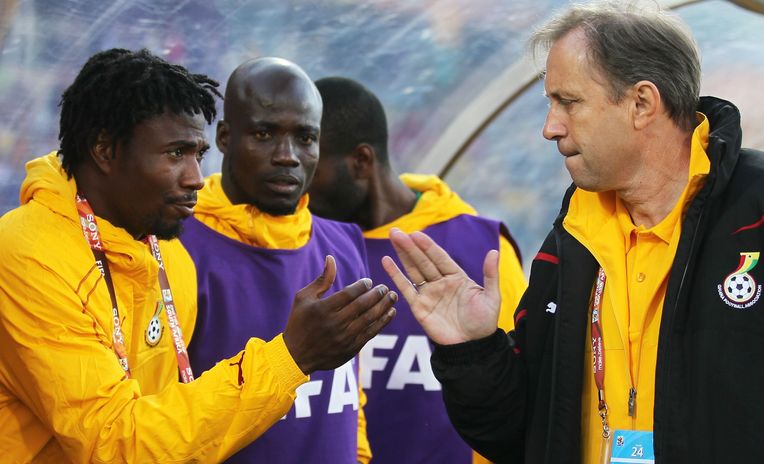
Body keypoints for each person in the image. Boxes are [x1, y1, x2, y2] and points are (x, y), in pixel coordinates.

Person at [382, 2, 764, 463]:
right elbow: (525, 436)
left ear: (641, 104)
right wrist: (473, 350)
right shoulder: (572, 239)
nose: (550, 128)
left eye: (568, 102)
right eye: (550, 103)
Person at [0, 48, 396, 463]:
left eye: (198, 155)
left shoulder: (168, 253)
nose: (196, 179)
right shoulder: (29, 256)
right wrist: (291, 357)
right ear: (104, 149)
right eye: (176, 154)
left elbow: (171, 425)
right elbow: (114, 443)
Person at [308, 76, 528, 464]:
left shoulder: (480, 246)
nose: (297, 182)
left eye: (311, 165)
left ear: (361, 161)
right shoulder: (304, 247)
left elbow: (516, 390)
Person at [178, 58, 385, 463]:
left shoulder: (344, 243)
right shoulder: (178, 246)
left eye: (305, 137)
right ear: (224, 137)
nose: (288, 156)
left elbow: (347, 395)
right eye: (264, 133)